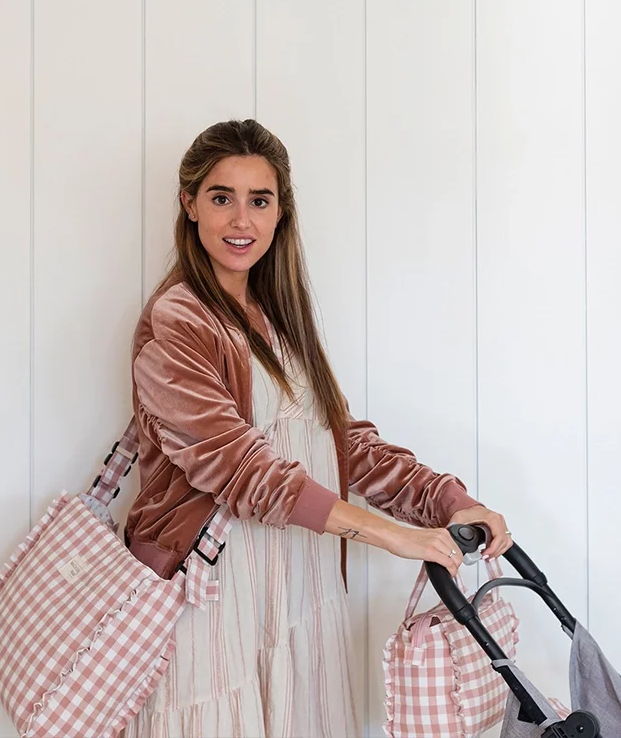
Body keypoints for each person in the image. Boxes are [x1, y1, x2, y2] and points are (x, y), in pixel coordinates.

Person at [121, 119, 511, 738]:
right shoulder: (178, 320)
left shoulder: (279, 320)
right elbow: (238, 468)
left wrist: (448, 501)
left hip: (300, 592)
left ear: (281, 213)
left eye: (260, 200)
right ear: (189, 204)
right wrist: (390, 536)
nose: (241, 220)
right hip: (211, 600)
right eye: (221, 198)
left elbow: (343, 445)